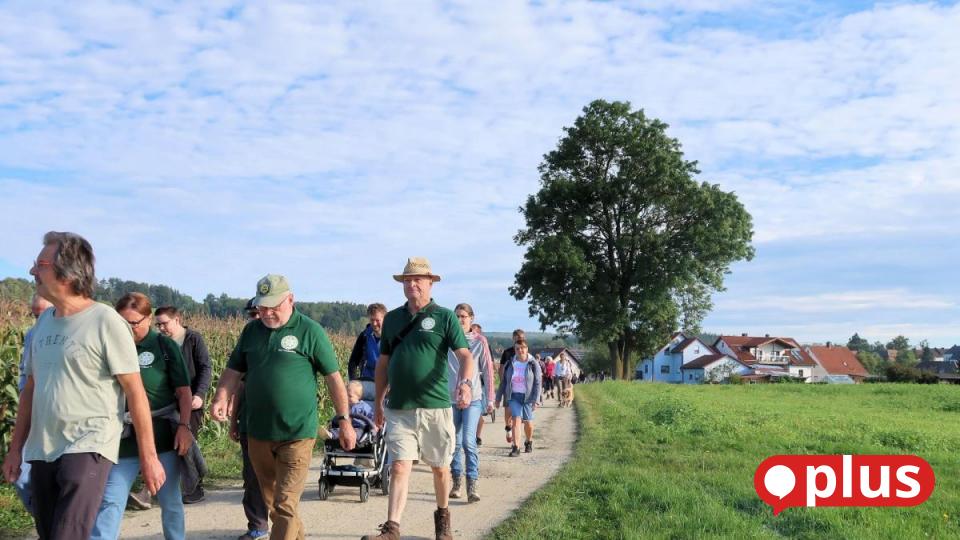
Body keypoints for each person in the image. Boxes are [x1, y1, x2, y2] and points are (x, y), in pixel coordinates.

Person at [2, 231, 165, 540]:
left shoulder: (105, 321)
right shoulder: (43, 323)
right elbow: (30, 390)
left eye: (40, 264)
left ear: (68, 271)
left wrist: (149, 457)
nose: (32, 271)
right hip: (42, 448)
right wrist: (15, 450)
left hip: (88, 444)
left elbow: (135, 393)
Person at [211, 274, 356, 540]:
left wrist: (344, 419)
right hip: (258, 432)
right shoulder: (251, 332)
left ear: (290, 299)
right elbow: (233, 370)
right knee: (274, 506)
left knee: (285, 505)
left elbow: (334, 379)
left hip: (297, 432)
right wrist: (220, 397)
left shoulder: (310, 331)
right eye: (261, 307)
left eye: (273, 307)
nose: (266, 313)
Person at [363, 257, 475, 540]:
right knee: (399, 465)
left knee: (440, 468)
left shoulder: (444, 316)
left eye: (417, 280)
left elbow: (465, 356)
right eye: (407, 280)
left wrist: (464, 383)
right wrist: (378, 401)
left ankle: (443, 521)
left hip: (435, 407)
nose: (412, 284)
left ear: (430, 283)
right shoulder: (392, 319)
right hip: (400, 408)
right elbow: (383, 363)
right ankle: (392, 529)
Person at [90, 293, 193, 540]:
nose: (128, 329)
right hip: (122, 440)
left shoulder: (164, 347)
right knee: (111, 502)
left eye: (134, 323)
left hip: (162, 438)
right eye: (122, 323)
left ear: (148, 318)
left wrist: (184, 426)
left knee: (170, 501)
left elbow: (183, 392)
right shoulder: (108, 345)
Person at [154, 305, 212, 504]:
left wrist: (200, 394)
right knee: (169, 447)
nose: (161, 328)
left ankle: (196, 488)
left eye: (164, 323)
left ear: (177, 319)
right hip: (168, 402)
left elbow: (205, 367)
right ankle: (171, 487)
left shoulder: (193, 339)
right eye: (158, 324)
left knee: (187, 446)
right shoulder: (160, 343)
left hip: (192, 402)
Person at [229, 301, 269, 540]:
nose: (256, 317)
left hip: (283, 426)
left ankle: (286, 526)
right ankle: (258, 525)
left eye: (259, 312)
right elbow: (238, 385)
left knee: (280, 481)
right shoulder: (247, 342)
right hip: (250, 422)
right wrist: (233, 420)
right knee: (252, 477)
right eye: (253, 314)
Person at [447, 303, 494, 503]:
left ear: (471, 318)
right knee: (453, 443)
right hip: (450, 398)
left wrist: (490, 398)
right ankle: (456, 481)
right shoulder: (447, 340)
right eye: (456, 316)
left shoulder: (479, 341)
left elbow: (488, 370)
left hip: (473, 397)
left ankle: (472, 483)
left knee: (468, 441)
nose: (459, 320)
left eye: (463, 316)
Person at [12, 293, 53, 515]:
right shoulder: (31, 335)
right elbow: (24, 375)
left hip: (59, 417)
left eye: (42, 314)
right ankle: (44, 520)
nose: (38, 320)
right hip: (33, 414)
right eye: (34, 315)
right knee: (20, 475)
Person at [495, 338, 542, 457]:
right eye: (517, 348)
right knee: (516, 419)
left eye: (522, 348)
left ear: (527, 349)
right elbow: (504, 382)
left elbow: (538, 383)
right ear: (514, 350)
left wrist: (536, 400)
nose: (520, 350)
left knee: (529, 424)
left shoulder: (533, 363)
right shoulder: (510, 363)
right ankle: (516, 447)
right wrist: (498, 397)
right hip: (514, 396)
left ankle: (528, 441)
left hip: (528, 397)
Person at [498, 329, 525, 444]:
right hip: (509, 386)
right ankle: (508, 428)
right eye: (517, 337)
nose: (519, 339)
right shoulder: (507, 352)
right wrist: (503, 382)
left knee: (518, 415)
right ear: (513, 338)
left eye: (521, 337)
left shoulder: (526, 352)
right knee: (508, 410)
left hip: (522, 388)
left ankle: (516, 439)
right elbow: (501, 368)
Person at [348, 303, 386, 380]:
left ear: (384, 319)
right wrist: (353, 381)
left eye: (377, 320)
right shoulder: (364, 336)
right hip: (367, 379)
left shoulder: (392, 337)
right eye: (372, 320)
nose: (374, 324)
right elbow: (353, 362)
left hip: (386, 381)